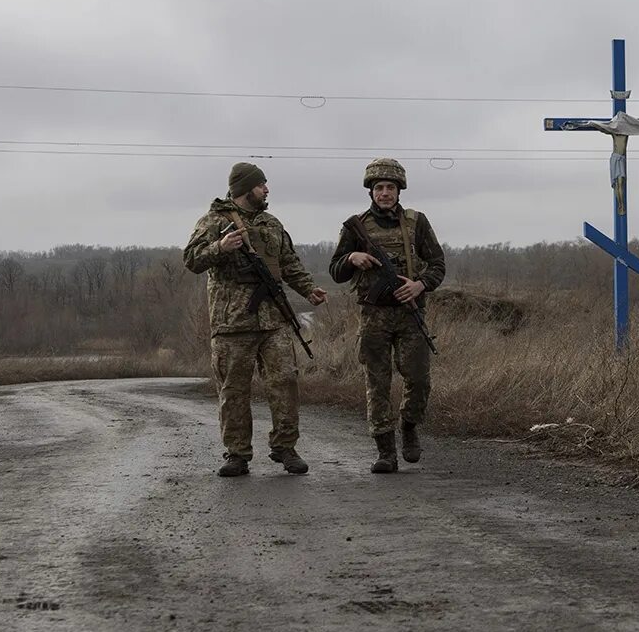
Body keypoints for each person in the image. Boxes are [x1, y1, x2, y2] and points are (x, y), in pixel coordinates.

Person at [184, 162, 327, 477]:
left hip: (273, 320)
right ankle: (237, 454)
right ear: (246, 189)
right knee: (234, 390)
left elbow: (288, 261)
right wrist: (220, 247)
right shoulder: (214, 221)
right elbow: (192, 259)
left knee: (285, 382)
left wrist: (308, 289)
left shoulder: (271, 223)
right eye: (262, 184)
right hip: (233, 323)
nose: (267, 189)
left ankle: (285, 448)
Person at [329, 157, 446, 474]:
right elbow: (336, 270)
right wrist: (352, 257)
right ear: (371, 191)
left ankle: (409, 426)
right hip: (374, 317)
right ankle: (385, 451)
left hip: (410, 315)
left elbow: (438, 265)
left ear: (399, 190)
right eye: (379, 187)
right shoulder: (356, 226)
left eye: (390, 187)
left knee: (419, 379)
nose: (384, 193)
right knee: (377, 384)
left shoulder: (416, 223)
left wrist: (420, 285)